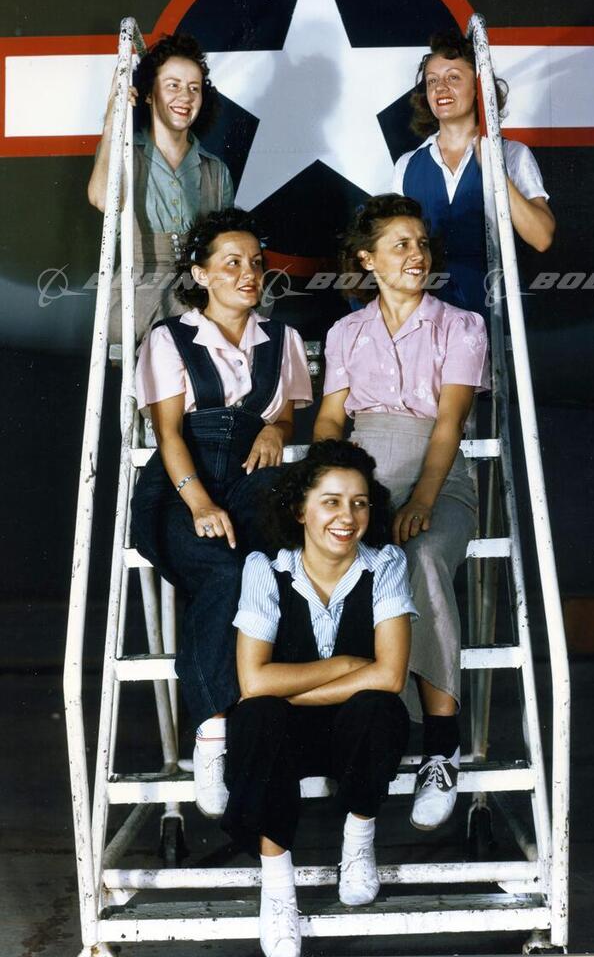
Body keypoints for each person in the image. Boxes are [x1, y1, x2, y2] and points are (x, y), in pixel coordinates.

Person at [314, 194, 490, 832]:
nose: (416, 255)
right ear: (368, 260)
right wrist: (335, 487)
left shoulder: (461, 326)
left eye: (421, 243)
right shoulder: (346, 333)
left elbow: (448, 425)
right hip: (363, 481)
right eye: (400, 245)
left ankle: (441, 749)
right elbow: (330, 418)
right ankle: (342, 735)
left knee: (421, 557)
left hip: (438, 481)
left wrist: (421, 499)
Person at [130, 207, 312, 817]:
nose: (248, 273)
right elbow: (168, 434)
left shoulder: (281, 340)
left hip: (252, 479)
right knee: (225, 572)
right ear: (201, 274)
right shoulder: (169, 338)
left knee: (278, 570)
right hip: (180, 487)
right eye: (231, 263)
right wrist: (201, 502)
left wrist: (276, 431)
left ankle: (277, 727)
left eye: (255, 263)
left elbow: (285, 416)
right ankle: (212, 734)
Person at [222, 439, 414, 957]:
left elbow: (390, 676)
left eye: (359, 502)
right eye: (331, 501)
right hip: (286, 736)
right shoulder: (266, 569)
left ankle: (359, 842)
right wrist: (346, 666)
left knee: (380, 708)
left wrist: (293, 687)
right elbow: (252, 683)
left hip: (353, 730)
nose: (347, 516)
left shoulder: (385, 564)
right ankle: (278, 891)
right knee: (258, 717)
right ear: (300, 510)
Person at [392, 29, 555, 316]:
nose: (440, 88)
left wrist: (495, 170)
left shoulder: (512, 154)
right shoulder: (408, 165)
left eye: (453, 77)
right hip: (428, 320)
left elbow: (541, 237)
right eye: (432, 81)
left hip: (495, 315)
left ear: (479, 87)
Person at [88, 32, 234, 342]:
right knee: (191, 314)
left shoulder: (216, 170)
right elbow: (101, 199)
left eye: (194, 88)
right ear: (149, 95)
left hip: (202, 281)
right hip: (140, 286)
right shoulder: (125, 153)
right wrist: (112, 121)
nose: (185, 96)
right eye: (173, 85)